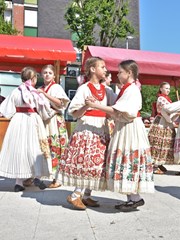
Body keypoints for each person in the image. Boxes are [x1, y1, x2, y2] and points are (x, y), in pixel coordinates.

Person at [85, 59, 154, 211]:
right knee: (127, 160)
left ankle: (134, 198)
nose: (118, 74)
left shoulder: (132, 89)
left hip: (130, 127)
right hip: (126, 125)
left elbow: (119, 111)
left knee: (128, 158)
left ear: (129, 73)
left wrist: (95, 105)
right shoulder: (128, 88)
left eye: (121, 71)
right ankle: (133, 198)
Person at [56, 57, 111, 210]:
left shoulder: (106, 89)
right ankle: (75, 195)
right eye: (102, 66)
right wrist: (86, 106)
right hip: (87, 127)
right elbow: (73, 112)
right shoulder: (84, 88)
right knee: (86, 160)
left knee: (97, 162)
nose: (105, 70)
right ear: (93, 69)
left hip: (101, 128)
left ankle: (86, 195)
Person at [0, 67, 53, 192]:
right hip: (33, 120)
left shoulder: (15, 92)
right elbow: (44, 110)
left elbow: (5, 109)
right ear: (34, 79)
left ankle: (19, 182)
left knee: (19, 149)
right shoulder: (36, 93)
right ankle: (37, 176)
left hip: (18, 121)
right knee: (36, 148)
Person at [35, 64, 70, 188]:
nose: (47, 75)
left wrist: (45, 94)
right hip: (44, 120)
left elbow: (61, 103)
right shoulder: (40, 88)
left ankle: (58, 178)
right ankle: (43, 174)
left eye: (50, 73)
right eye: (45, 72)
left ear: (54, 75)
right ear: (41, 74)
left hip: (55, 119)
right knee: (44, 146)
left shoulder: (56, 87)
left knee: (56, 147)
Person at [148, 82, 176, 174]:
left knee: (165, 143)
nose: (168, 90)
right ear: (161, 89)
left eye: (169, 88)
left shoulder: (166, 98)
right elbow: (167, 109)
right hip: (161, 121)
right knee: (158, 142)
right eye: (166, 88)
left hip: (166, 122)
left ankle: (159, 163)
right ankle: (155, 165)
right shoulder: (161, 98)